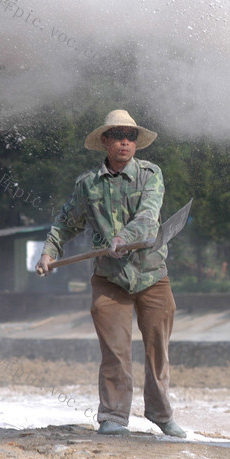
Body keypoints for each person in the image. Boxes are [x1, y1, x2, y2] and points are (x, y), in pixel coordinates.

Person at [35, 109, 186, 439]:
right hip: (109, 279)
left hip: (151, 275)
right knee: (115, 352)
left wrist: (123, 238)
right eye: (117, 135)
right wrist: (48, 253)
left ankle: (161, 414)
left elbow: (148, 217)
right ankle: (114, 416)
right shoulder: (88, 186)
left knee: (157, 350)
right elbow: (65, 223)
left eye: (130, 137)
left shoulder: (150, 175)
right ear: (105, 141)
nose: (124, 142)